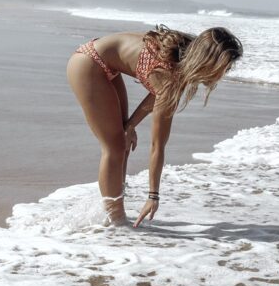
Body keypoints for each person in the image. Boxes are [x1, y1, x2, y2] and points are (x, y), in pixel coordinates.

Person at [67, 24, 243, 227]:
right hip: (88, 64)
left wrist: (131, 125)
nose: (225, 73)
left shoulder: (183, 58)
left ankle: (115, 216)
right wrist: (153, 196)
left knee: (122, 141)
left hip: (104, 63)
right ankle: (115, 221)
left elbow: (156, 92)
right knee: (114, 147)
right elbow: (157, 144)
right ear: (209, 61)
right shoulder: (169, 74)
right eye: (226, 67)